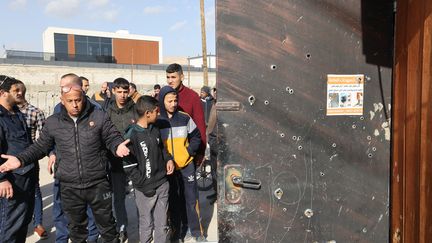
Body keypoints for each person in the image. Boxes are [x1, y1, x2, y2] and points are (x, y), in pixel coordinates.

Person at [0, 75, 131, 243]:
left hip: (97, 183)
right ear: (62, 100)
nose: (75, 105)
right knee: (76, 230)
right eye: (70, 101)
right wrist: (21, 159)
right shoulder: (53, 122)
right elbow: (40, 147)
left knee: (107, 227)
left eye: (78, 100)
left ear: (83, 97)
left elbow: (111, 136)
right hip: (69, 187)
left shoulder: (98, 116)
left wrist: (117, 145)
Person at [51, 74, 100, 243]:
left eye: (69, 86)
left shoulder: (96, 110)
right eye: (63, 88)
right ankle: (62, 238)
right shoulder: (58, 108)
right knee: (61, 207)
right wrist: (52, 154)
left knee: (90, 209)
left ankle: (92, 237)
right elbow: (50, 136)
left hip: (88, 172)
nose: (65, 90)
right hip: (63, 170)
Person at [122, 95, 175, 243]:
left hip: (162, 185)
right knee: (146, 225)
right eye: (156, 111)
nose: (159, 114)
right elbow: (128, 165)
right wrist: (143, 184)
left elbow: (162, 149)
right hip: (144, 189)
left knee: (162, 224)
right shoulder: (131, 134)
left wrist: (168, 159)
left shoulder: (155, 129)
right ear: (147, 113)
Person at [157, 86, 204, 242]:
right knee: (173, 202)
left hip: (186, 165)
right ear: (162, 101)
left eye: (175, 100)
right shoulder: (157, 121)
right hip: (169, 169)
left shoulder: (184, 118)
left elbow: (196, 137)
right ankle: (176, 234)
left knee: (191, 200)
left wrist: (189, 152)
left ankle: (197, 233)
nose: (173, 104)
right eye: (169, 101)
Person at [0, 75, 37, 242]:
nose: (21, 93)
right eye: (16, 91)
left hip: (26, 177)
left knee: (23, 223)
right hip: (11, 181)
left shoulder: (17, 114)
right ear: (3, 92)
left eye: (21, 90)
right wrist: (1, 179)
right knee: (9, 227)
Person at [105, 78, 138, 242]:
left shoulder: (136, 109)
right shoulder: (106, 111)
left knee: (141, 195)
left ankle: (146, 226)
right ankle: (122, 226)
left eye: (125, 91)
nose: (123, 95)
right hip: (115, 162)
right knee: (118, 197)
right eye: (119, 91)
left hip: (135, 161)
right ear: (113, 91)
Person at [15, 80, 48, 240]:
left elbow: (44, 137)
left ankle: (38, 224)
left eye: (18, 90)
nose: (17, 93)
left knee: (34, 191)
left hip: (30, 158)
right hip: (9, 158)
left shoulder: (35, 112)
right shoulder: (7, 113)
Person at [166, 64, 206, 165]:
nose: (170, 81)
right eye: (168, 77)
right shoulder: (162, 96)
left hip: (187, 155)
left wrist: (200, 152)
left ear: (182, 77)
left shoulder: (192, 97)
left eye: (173, 77)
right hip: (166, 155)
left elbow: (200, 125)